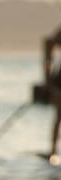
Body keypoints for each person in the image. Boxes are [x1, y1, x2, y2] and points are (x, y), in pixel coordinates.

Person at [47, 27, 61, 162]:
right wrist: (47, 78)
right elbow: (48, 43)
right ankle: (53, 149)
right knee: (58, 116)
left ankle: (53, 149)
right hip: (59, 82)